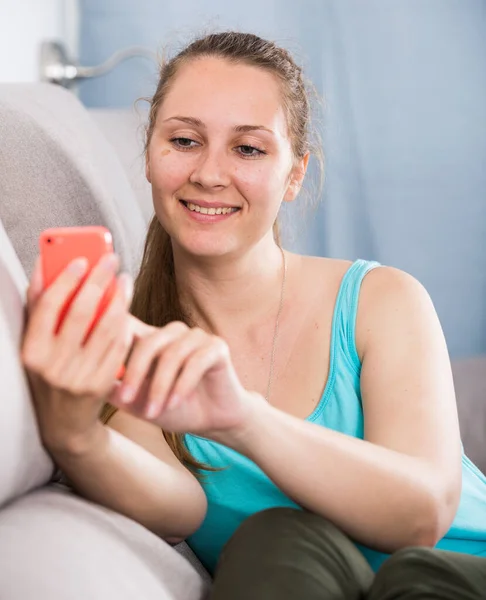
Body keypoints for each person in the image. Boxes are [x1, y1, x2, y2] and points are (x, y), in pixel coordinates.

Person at [22, 31, 486, 600]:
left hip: (458, 570)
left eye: (248, 149)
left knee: (413, 577)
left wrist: (241, 420)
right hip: (304, 571)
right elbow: (177, 511)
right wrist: (71, 434)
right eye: (186, 140)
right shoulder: (145, 358)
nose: (210, 174)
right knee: (273, 537)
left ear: (295, 174)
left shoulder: (383, 299)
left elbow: (422, 515)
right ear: (149, 154)